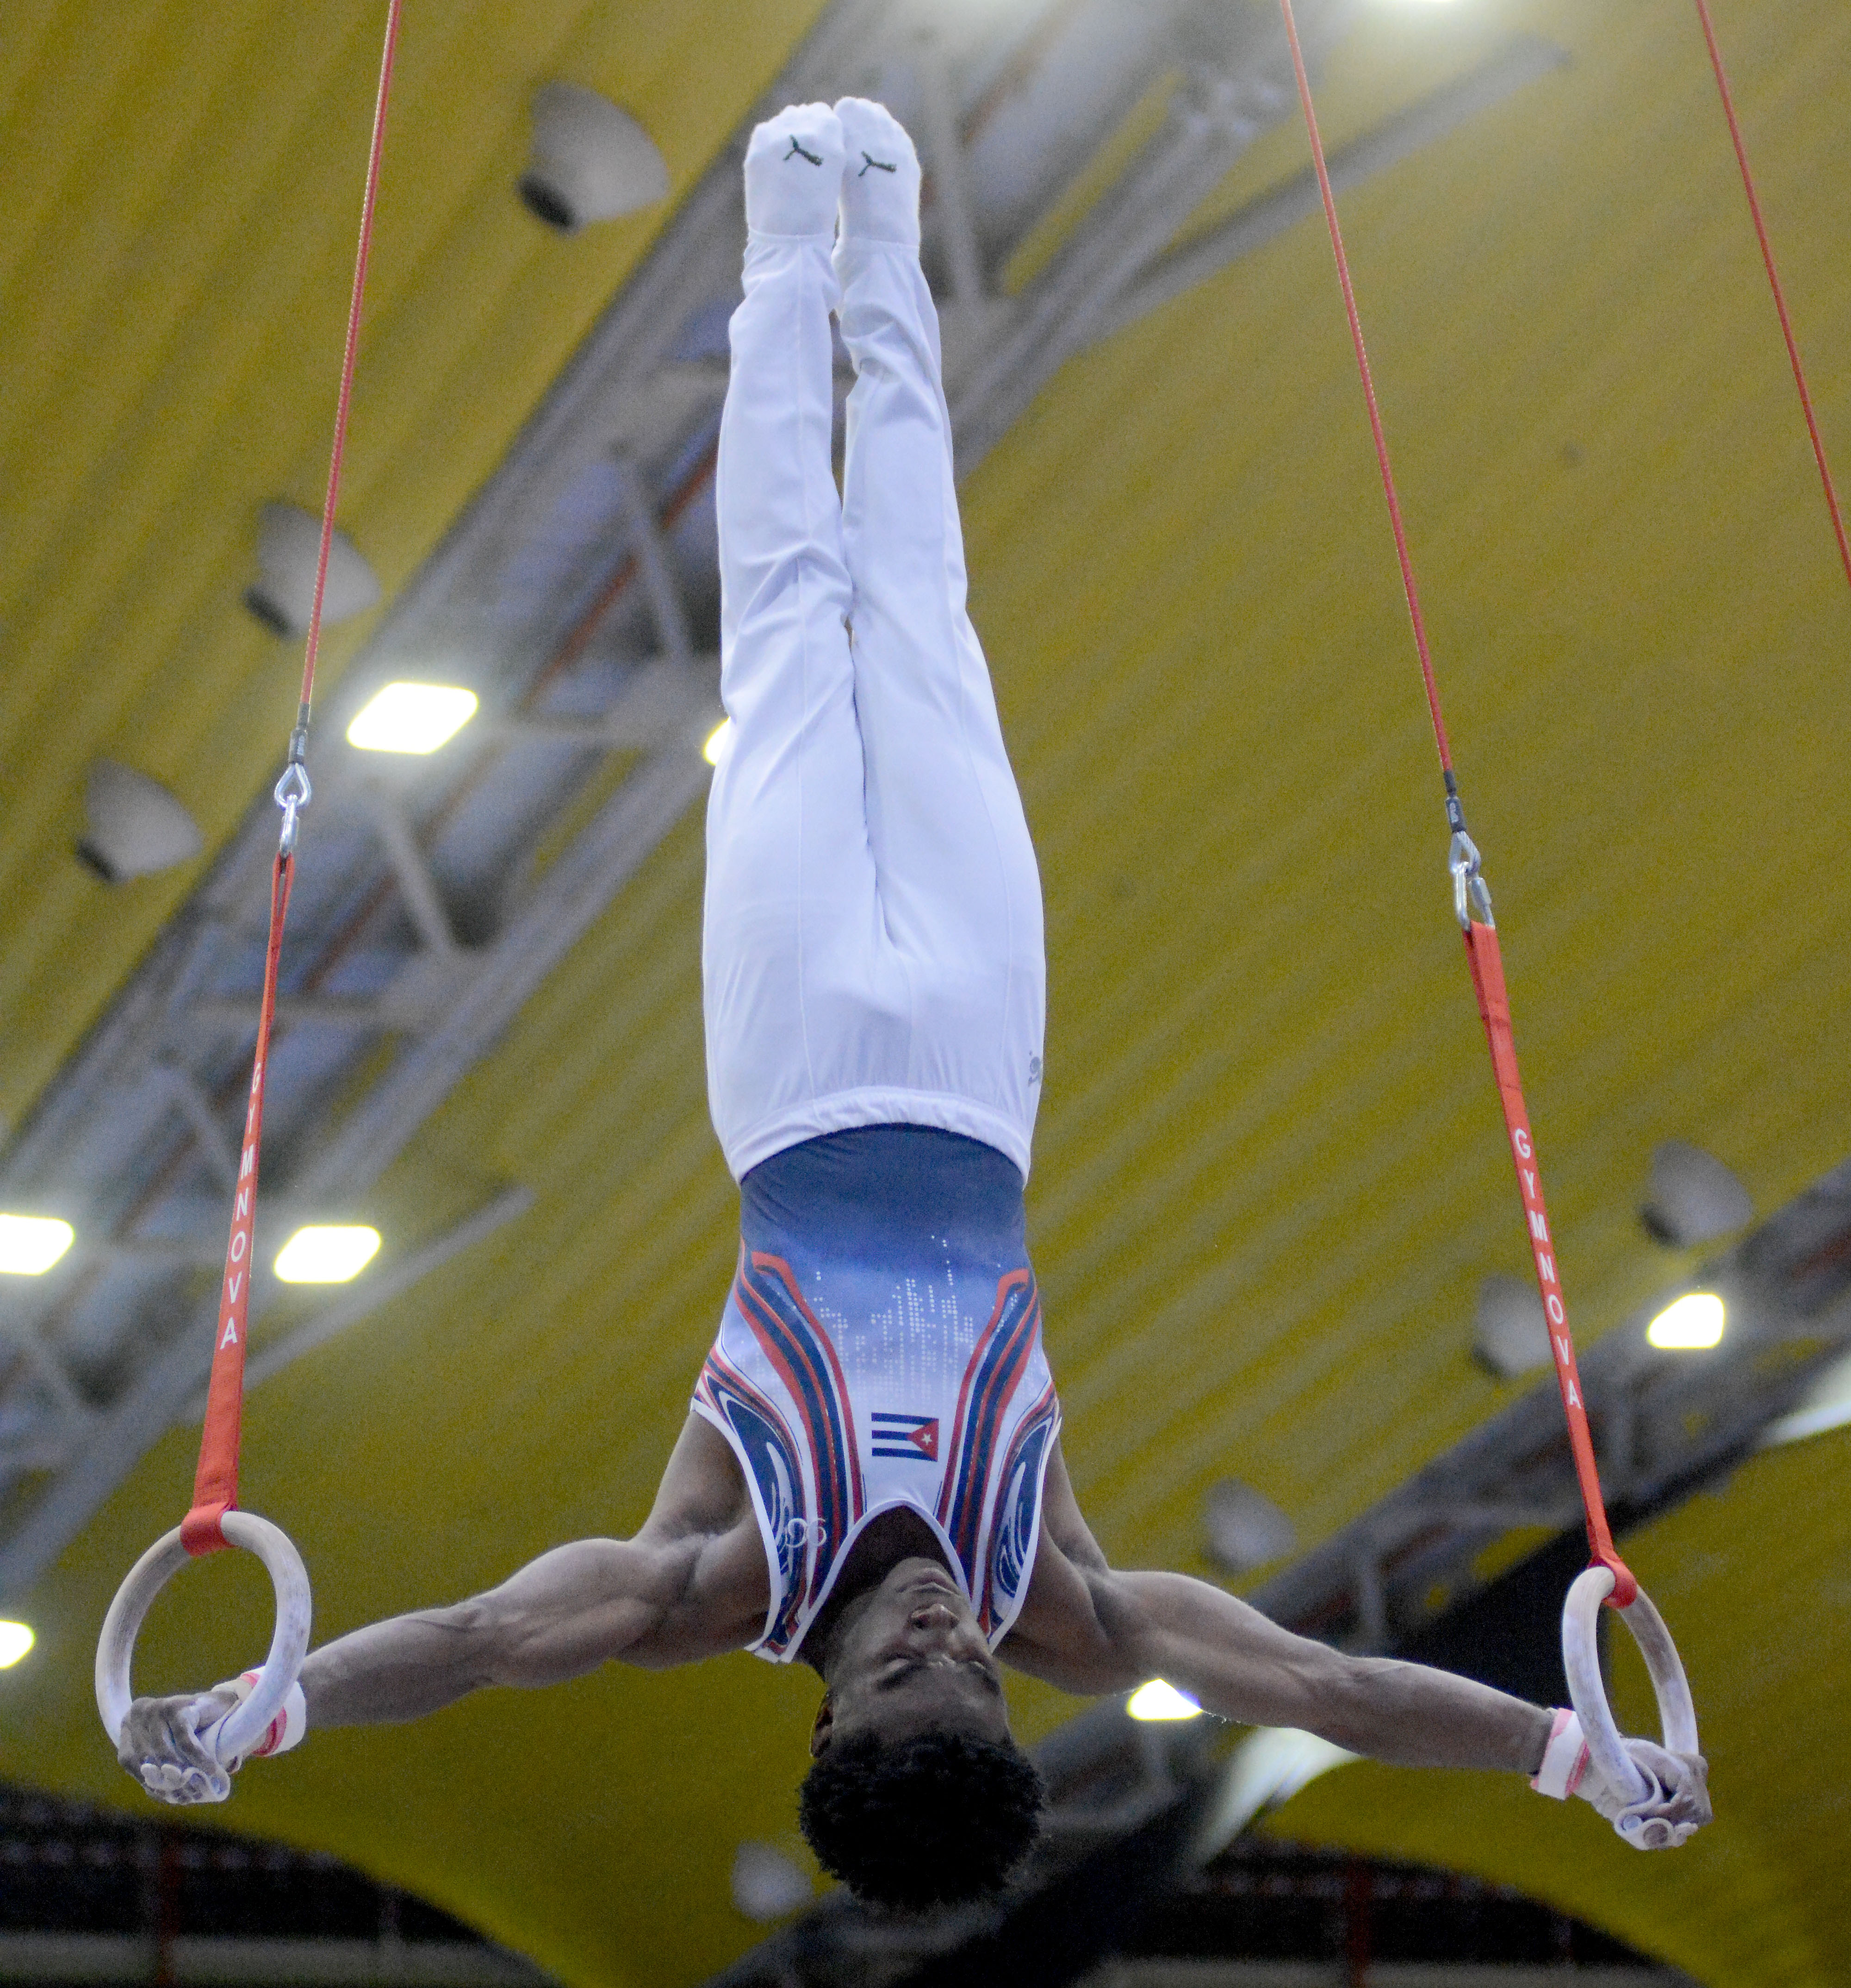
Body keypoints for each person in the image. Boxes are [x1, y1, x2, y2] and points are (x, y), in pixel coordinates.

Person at [119, 99, 1710, 1909]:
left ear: (821, 1714)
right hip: (976, 1070)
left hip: (791, 1071)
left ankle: (782, 255)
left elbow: (487, 1638)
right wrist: (1569, 1755)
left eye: (901, 1671)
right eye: (975, 1674)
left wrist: (271, 1707)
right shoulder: (1065, 1601)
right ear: (1017, 1701)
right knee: (930, 620)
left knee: (795, 624)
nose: (951, 1631)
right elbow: (1329, 1688)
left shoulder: (714, 1578)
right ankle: (882, 244)